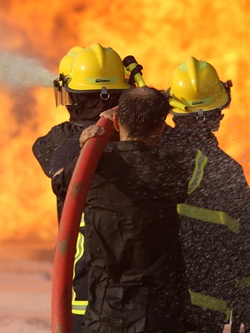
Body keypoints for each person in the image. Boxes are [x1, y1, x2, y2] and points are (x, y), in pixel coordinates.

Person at [52, 87, 192, 333]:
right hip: (160, 317)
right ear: (160, 129)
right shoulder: (172, 171)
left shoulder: (96, 169)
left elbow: (61, 184)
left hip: (107, 315)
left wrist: (86, 146)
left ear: (117, 122)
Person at [32, 43, 133, 332]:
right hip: (135, 300)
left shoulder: (61, 140)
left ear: (72, 97)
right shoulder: (137, 142)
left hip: (84, 299)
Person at [159, 57, 250, 333]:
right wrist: (243, 299)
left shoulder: (148, 154)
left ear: (172, 111)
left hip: (153, 302)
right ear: (219, 113)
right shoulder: (228, 171)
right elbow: (244, 243)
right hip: (207, 305)